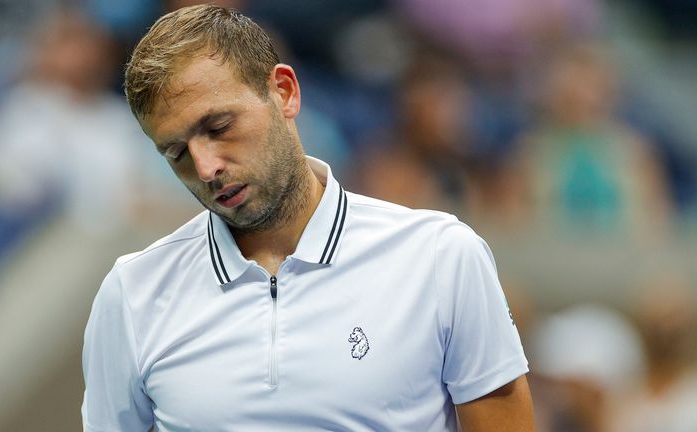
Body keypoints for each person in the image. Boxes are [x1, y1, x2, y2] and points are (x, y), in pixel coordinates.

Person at [81, 5, 534, 431]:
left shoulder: (442, 255)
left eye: (218, 127)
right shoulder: (132, 293)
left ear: (284, 92)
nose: (205, 168)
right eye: (176, 153)